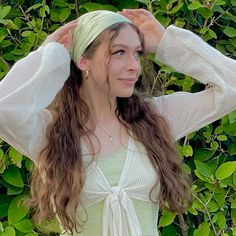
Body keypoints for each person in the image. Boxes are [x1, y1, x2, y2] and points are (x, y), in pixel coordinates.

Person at [0, 8, 236, 236]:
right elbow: (5, 109)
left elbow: (232, 88)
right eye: (119, 52)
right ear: (83, 61)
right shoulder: (50, 131)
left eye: (137, 53)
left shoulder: (156, 119)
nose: (134, 66)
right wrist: (51, 56)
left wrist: (168, 44)